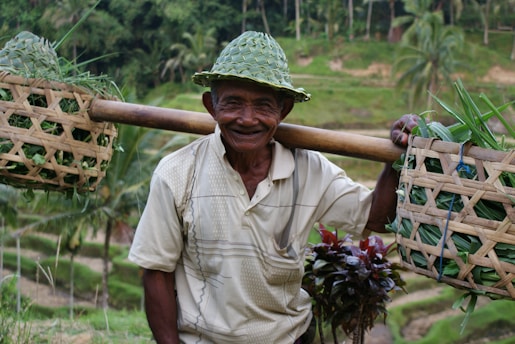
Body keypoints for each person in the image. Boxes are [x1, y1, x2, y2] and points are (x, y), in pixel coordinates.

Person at [128, 31, 418, 344]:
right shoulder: (177, 173)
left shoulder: (309, 170)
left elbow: (375, 219)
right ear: (211, 106)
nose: (247, 119)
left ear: (284, 111)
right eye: (233, 103)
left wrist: (395, 160)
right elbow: (156, 271)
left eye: (263, 106)